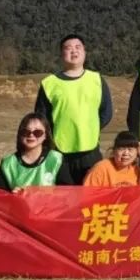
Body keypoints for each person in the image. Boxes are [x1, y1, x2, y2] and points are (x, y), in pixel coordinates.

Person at [34, 34, 114, 183]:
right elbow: (41, 119)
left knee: (91, 198)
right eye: (68, 48)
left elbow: (106, 112)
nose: (73, 51)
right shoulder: (49, 83)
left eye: (78, 47)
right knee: (65, 199)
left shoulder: (96, 79)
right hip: (60, 152)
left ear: (84, 52)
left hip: (90, 151)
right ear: (61, 54)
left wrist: (90, 128)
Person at [0, 113, 73, 191]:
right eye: (26, 131)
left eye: (37, 132)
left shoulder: (56, 159)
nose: (31, 135)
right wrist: (12, 196)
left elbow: (68, 193)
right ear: (20, 134)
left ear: (45, 135)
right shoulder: (8, 164)